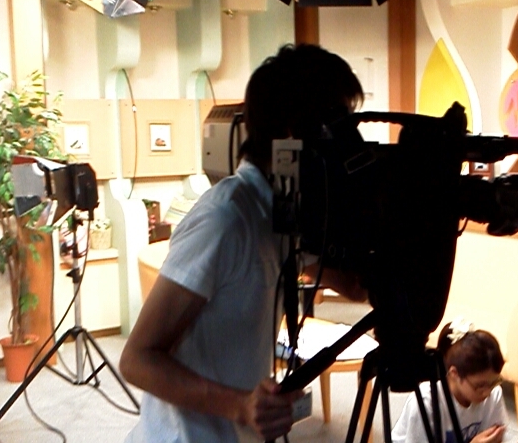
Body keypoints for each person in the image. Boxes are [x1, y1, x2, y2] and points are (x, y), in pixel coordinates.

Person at [118, 44, 367, 443]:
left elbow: (354, 287)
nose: (346, 142)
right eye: (337, 125)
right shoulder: (226, 218)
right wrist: (239, 405)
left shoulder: (283, 209)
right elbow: (136, 359)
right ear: (293, 133)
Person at [391, 319, 518, 443]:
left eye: (494, 382)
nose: (487, 392)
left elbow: (500, 437)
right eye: (480, 386)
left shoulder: (493, 394)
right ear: (454, 373)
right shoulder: (426, 402)